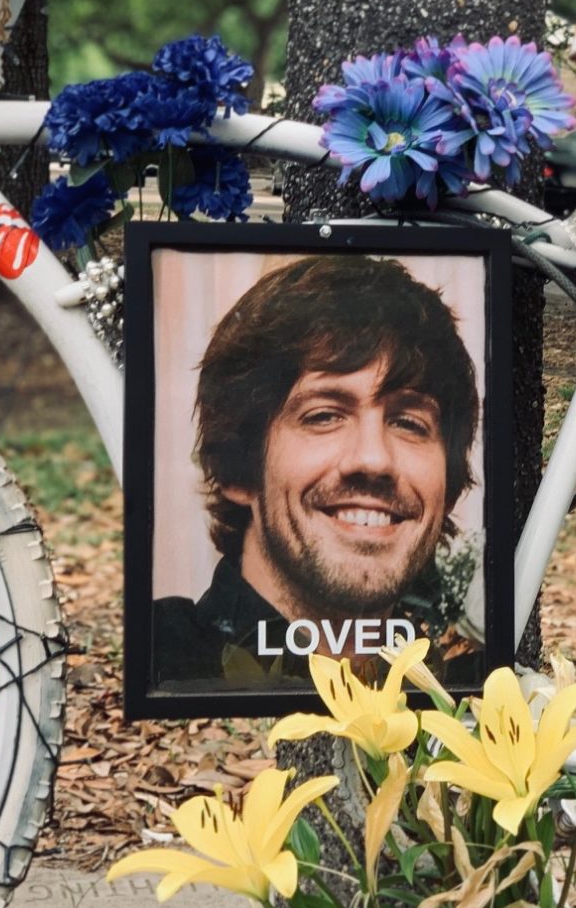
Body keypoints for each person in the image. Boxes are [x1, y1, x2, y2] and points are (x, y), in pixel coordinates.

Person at [152, 255, 480, 689]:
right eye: (324, 415)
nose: (373, 459)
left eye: (409, 423)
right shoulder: (162, 661)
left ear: (449, 486)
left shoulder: (469, 683)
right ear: (237, 470)